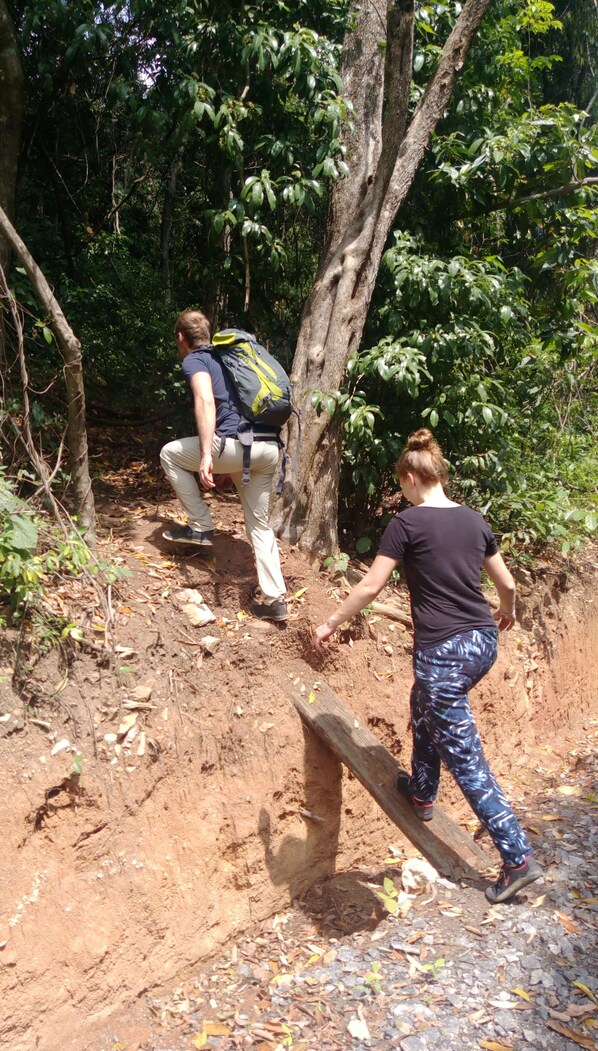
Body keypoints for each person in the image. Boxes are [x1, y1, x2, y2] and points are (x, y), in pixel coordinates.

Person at [313, 428, 542, 903]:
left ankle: (517, 859)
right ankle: (421, 791)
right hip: (481, 643)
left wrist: (331, 622)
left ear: (413, 477)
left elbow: (371, 587)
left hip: (442, 653)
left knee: (468, 761)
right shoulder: (474, 520)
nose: (402, 493)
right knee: (423, 701)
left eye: (402, 485)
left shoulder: (407, 523)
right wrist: (507, 611)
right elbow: (509, 584)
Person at [160, 309, 289, 622]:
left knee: (169, 453)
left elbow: (205, 401)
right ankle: (276, 600)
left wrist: (207, 454)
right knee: (259, 524)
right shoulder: (226, 357)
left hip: (235, 447)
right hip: (268, 448)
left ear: (181, 337)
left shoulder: (196, 360)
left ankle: (201, 525)